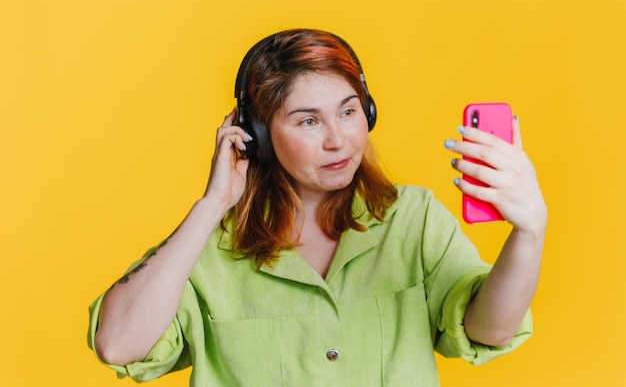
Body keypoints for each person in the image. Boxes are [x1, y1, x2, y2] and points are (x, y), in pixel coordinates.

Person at [88, 28, 547, 386]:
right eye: (308, 120)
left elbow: (491, 330)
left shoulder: (414, 219)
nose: (337, 139)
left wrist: (528, 233)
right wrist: (212, 206)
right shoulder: (208, 249)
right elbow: (117, 343)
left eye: (348, 112)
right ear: (260, 135)